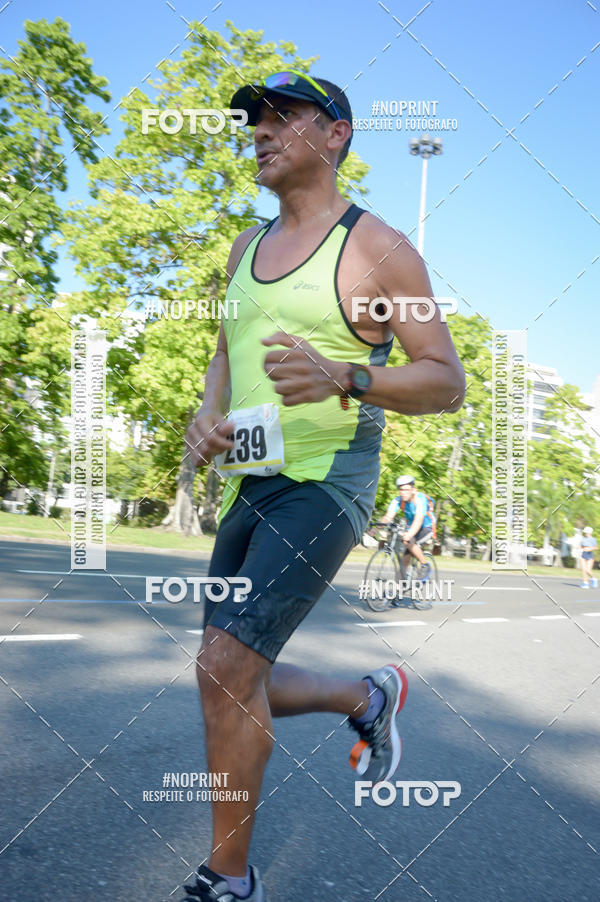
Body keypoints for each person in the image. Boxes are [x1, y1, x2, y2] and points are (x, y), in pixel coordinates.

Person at [183, 69, 465, 901]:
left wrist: (348, 375)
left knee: (228, 662)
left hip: (326, 485)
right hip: (251, 482)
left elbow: (444, 380)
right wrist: (206, 416)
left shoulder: (378, 250)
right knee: (221, 669)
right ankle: (366, 694)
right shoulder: (243, 247)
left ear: (335, 134)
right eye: (253, 122)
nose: (260, 133)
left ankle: (228, 880)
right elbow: (227, 356)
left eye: (281, 118)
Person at [379, 475, 436, 579]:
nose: (403, 493)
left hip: (426, 526)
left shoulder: (420, 499)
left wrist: (409, 534)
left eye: (406, 490)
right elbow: (388, 517)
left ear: (413, 490)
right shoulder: (398, 501)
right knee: (404, 559)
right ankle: (397, 589)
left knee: (407, 541)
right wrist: (375, 529)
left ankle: (425, 565)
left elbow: (419, 520)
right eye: (401, 490)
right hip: (413, 526)